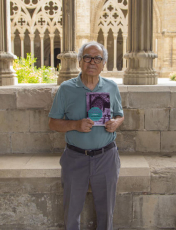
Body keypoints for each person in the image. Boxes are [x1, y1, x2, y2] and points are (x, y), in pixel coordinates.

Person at [48, 41, 124, 230]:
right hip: (75, 158)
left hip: (106, 157)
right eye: (87, 57)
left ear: (103, 63)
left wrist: (116, 123)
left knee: (106, 212)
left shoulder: (111, 87)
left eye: (97, 58)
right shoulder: (66, 89)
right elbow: (53, 122)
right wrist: (75, 124)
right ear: (80, 61)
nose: (92, 62)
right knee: (71, 211)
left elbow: (120, 114)